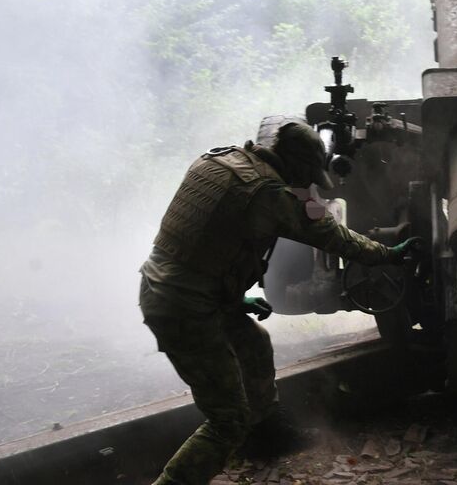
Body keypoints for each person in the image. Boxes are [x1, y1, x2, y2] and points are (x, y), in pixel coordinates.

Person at [138, 121, 419, 485]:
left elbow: (204, 238)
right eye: (308, 175)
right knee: (227, 421)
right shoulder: (270, 195)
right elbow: (335, 237)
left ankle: (265, 433)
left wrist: (230, 296)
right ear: (296, 165)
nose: (308, 184)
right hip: (186, 308)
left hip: (173, 289)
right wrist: (389, 254)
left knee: (254, 344)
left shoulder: (219, 161)